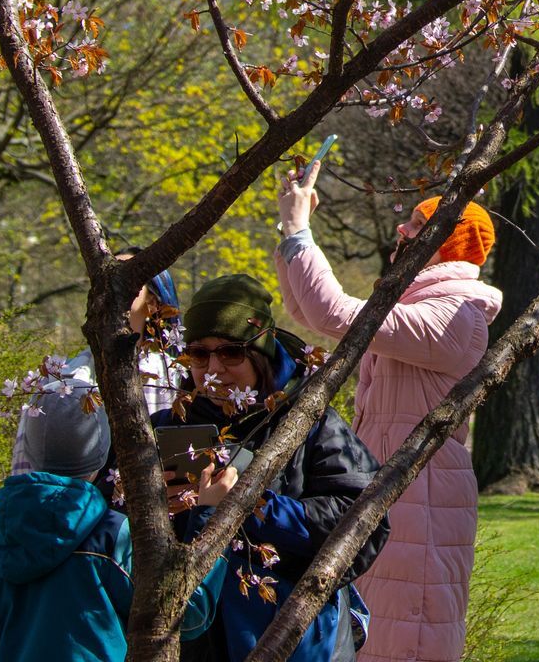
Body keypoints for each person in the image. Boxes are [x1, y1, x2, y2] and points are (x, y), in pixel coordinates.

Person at [274, 166, 505, 662]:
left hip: (420, 499)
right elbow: (306, 312)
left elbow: (332, 311)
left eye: (419, 226)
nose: (402, 230)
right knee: (376, 636)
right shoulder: (421, 307)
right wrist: (290, 234)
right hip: (396, 495)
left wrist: (300, 232)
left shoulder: (455, 315)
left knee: (406, 641)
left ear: (449, 243)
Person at [158, 274, 391, 662]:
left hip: (293, 638)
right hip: (194, 642)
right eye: (199, 354)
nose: (213, 369)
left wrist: (253, 507)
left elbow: (363, 520)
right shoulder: (168, 426)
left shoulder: (311, 419)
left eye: (230, 352)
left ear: (261, 351)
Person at [0, 380, 227, 662]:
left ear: (27, 446)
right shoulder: (112, 536)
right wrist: (212, 516)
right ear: (104, 451)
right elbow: (186, 614)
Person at [11, 257, 183, 474]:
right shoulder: (58, 382)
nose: (110, 292)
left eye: (127, 283)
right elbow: (26, 472)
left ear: (153, 304)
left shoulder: (175, 377)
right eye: (101, 283)